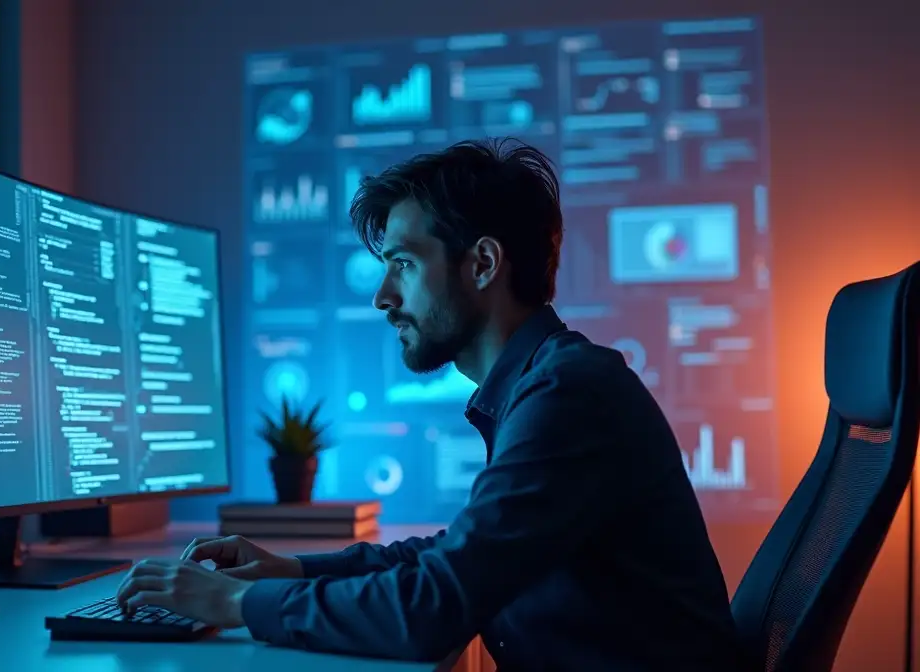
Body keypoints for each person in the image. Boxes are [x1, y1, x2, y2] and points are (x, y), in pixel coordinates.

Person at [114, 138, 744, 669]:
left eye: (404, 264)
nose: (383, 297)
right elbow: (459, 556)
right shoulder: (547, 383)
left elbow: (433, 606)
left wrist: (231, 603)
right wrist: (291, 570)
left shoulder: (568, 395)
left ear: (483, 264)